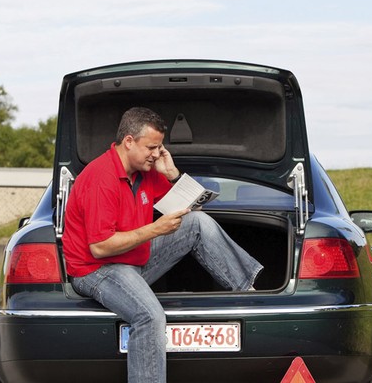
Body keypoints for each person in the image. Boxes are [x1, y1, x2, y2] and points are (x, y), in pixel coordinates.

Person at [62, 107, 262, 383]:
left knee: (197, 223)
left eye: (159, 147)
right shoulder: (101, 178)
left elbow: (188, 208)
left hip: (133, 260)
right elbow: (101, 247)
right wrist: (155, 229)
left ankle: (249, 295)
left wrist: (172, 175)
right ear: (129, 141)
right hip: (96, 270)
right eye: (152, 147)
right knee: (149, 317)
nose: (156, 154)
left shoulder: (146, 172)